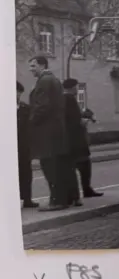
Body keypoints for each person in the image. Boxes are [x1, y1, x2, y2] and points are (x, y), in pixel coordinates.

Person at [28, 55, 71, 211]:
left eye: (33, 66)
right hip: (55, 131)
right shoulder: (53, 80)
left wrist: (31, 122)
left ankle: (57, 201)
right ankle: (61, 199)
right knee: (57, 167)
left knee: (50, 167)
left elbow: (42, 107)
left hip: (47, 132)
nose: (30, 69)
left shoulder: (44, 81)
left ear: (42, 65)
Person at [62, 79, 102, 200]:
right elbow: (75, 121)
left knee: (80, 165)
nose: (77, 89)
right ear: (72, 87)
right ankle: (85, 190)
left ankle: (83, 190)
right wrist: (85, 120)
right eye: (76, 87)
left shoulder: (65, 99)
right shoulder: (69, 99)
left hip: (72, 139)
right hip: (77, 140)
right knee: (84, 165)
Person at [17, 82, 38, 208]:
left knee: (26, 173)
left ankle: (27, 199)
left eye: (18, 92)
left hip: (24, 146)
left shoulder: (25, 108)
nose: (16, 94)